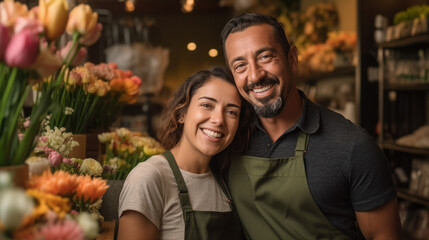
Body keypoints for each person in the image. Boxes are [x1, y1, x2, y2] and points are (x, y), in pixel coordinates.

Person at [220, 13, 401, 239]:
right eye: (240, 66)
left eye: (266, 57)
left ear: (292, 58)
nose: (255, 75)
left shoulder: (353, 146)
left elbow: (383, 236)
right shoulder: (230, 138)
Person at [117, 66, 251, 240]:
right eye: (207, 105)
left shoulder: (227, 182)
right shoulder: (150, 178)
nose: (218, 120)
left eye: (231, 112)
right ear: (181, 113)